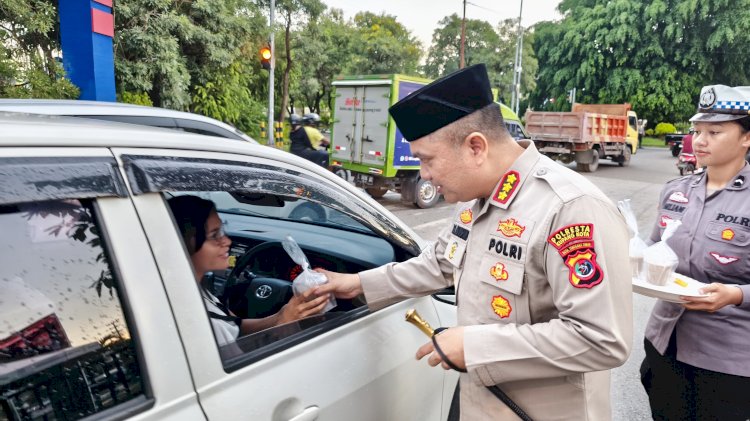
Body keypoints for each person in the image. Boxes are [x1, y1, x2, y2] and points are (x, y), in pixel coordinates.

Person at [313, 64, 632, 420]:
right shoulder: (477, 198)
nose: (424, 174)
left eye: (427, 159)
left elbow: (602, 339)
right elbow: (440, 263)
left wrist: (476, 345)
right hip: (481, 402)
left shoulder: (570, 208)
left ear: (475, 147)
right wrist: (356, 283)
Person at [641, 85, 750, 420]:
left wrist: (736, 294)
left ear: (746, 137)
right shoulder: (676, 191)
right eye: (697, 131)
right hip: (664, 343)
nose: (699, 141)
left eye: (714, 132)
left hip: (726, 359)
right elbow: (655, 251)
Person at [167, 195, 329, 346]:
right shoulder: (195, 319)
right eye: (214, 235)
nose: (227, 241)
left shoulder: (197, 291)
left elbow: (236, 325)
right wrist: (282, 325)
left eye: (222, 231)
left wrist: (283, 314)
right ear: (182, 242)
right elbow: (239, 362)